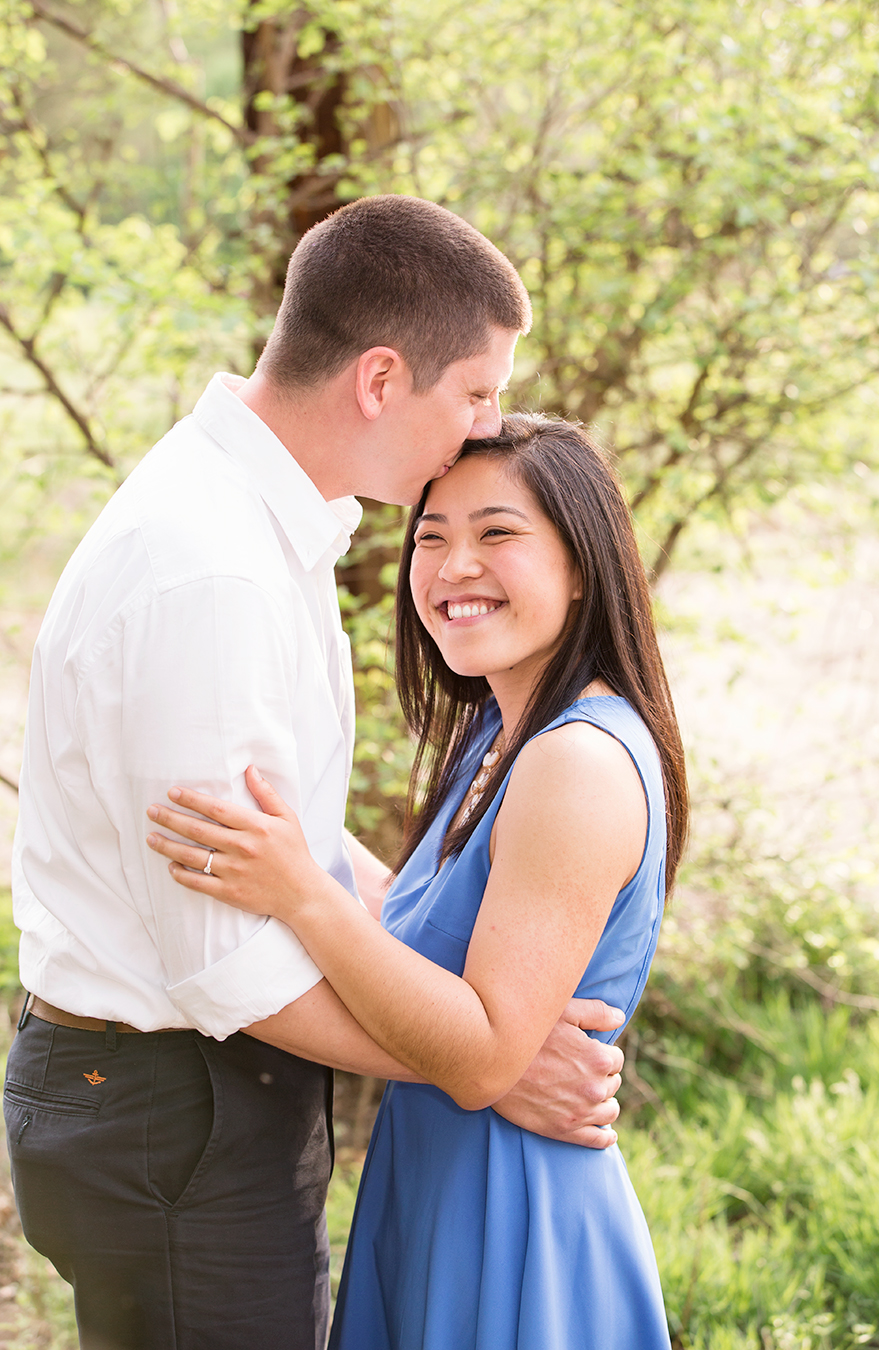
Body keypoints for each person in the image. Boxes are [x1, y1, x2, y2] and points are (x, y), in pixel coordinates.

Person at [4, 197, 627, 1350]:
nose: (488, 421)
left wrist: (475, 1023)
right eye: (477, 391)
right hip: (170, 1103)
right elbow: (229, 964)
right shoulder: (215, 574)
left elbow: (293, 836)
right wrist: (480, 1064)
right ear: (383, 380)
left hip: (184, 1100)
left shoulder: (255, 527)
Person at [145, 413, 690, 1349]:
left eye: (497, 533)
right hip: (438, 1186)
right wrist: (298, 844)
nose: (451, 567)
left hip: (510, 1217)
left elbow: (481, 1053)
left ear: (583, 566)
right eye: (431, 536)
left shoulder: (579, 763)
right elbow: (426, 921)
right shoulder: (501, 734)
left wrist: (301, 892)